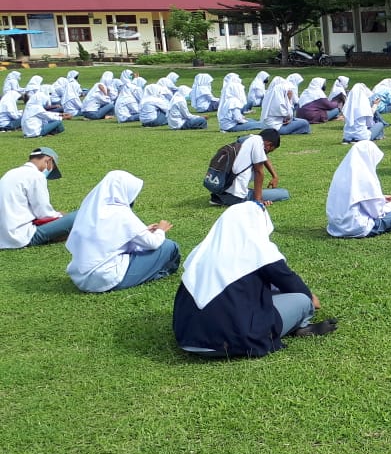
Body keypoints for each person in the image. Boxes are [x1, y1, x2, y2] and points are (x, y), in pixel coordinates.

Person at [173, 202, 337, 358]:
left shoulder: (201, 252)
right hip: (235, 341)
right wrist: (310, 298)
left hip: (188, 339)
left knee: (269, 292)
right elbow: (292, 283)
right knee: (302, 301)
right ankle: (301, 326)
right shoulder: (259, 249)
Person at [65, 171, 181, 293]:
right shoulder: (120, 212)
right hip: (104, 278)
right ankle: (157, 273)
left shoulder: (91, 208)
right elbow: (153, 243)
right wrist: (160, 230)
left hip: (80, 276)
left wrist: (143, 230)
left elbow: (107, 236)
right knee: (169, 246)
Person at [325, 141, 391, 237]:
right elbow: (377, 213)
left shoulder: (341, 174)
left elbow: (352, 197)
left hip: (335, 226)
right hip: (357, 227)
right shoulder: (366, 177)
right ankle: (382, 227)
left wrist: (381, 198)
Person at [0, 147, 76, 248]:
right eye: (51, 168)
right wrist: (60, 216)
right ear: (49, 161)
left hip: (4, 238)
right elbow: (44, 214)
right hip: (21, 237)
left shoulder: (10, 173)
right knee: (78, 215)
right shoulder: (36, 176)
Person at [210, 129, 289, 206]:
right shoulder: (259, 144)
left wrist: (275, 176)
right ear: (268, 145)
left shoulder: (249, 139)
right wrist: (259, 201)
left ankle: (224, 198)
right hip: (235, 197)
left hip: (219, 190)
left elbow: (263, 156)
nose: (267, 153)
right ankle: (230, 200)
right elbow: (259, 172)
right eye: (270, 150)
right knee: (284, 193)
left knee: (254, 190)